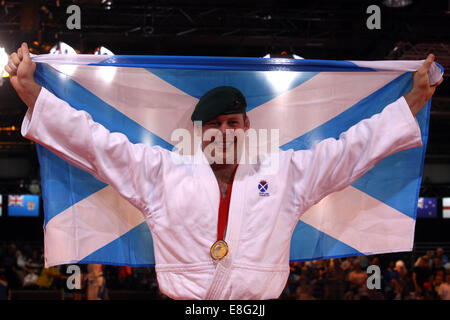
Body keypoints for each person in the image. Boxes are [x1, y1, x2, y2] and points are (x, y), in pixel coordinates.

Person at [6, 42, 443, 300]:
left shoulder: (287, 171)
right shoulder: (162, 173)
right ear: (199, 134)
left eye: (232, 123)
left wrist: (416, 99)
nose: (223, 131)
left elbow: (353, 150)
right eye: (213, 125)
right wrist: (30, 93)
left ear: (246, 127)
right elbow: (97, 145)